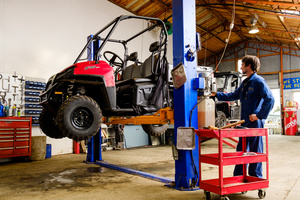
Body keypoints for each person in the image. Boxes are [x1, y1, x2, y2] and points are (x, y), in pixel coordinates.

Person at [212, 55, 275, 178]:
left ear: (249, 66)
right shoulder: (245, 82)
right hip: (244, 122)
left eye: (242, 65)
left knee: (255, 151)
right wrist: (216, 95)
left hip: (254, 122)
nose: (241, 67)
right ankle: (239, 177)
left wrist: (259, 116)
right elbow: (233, 95)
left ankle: (255, 177)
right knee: (241, 150)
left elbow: (270, 99)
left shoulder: (258, 81)